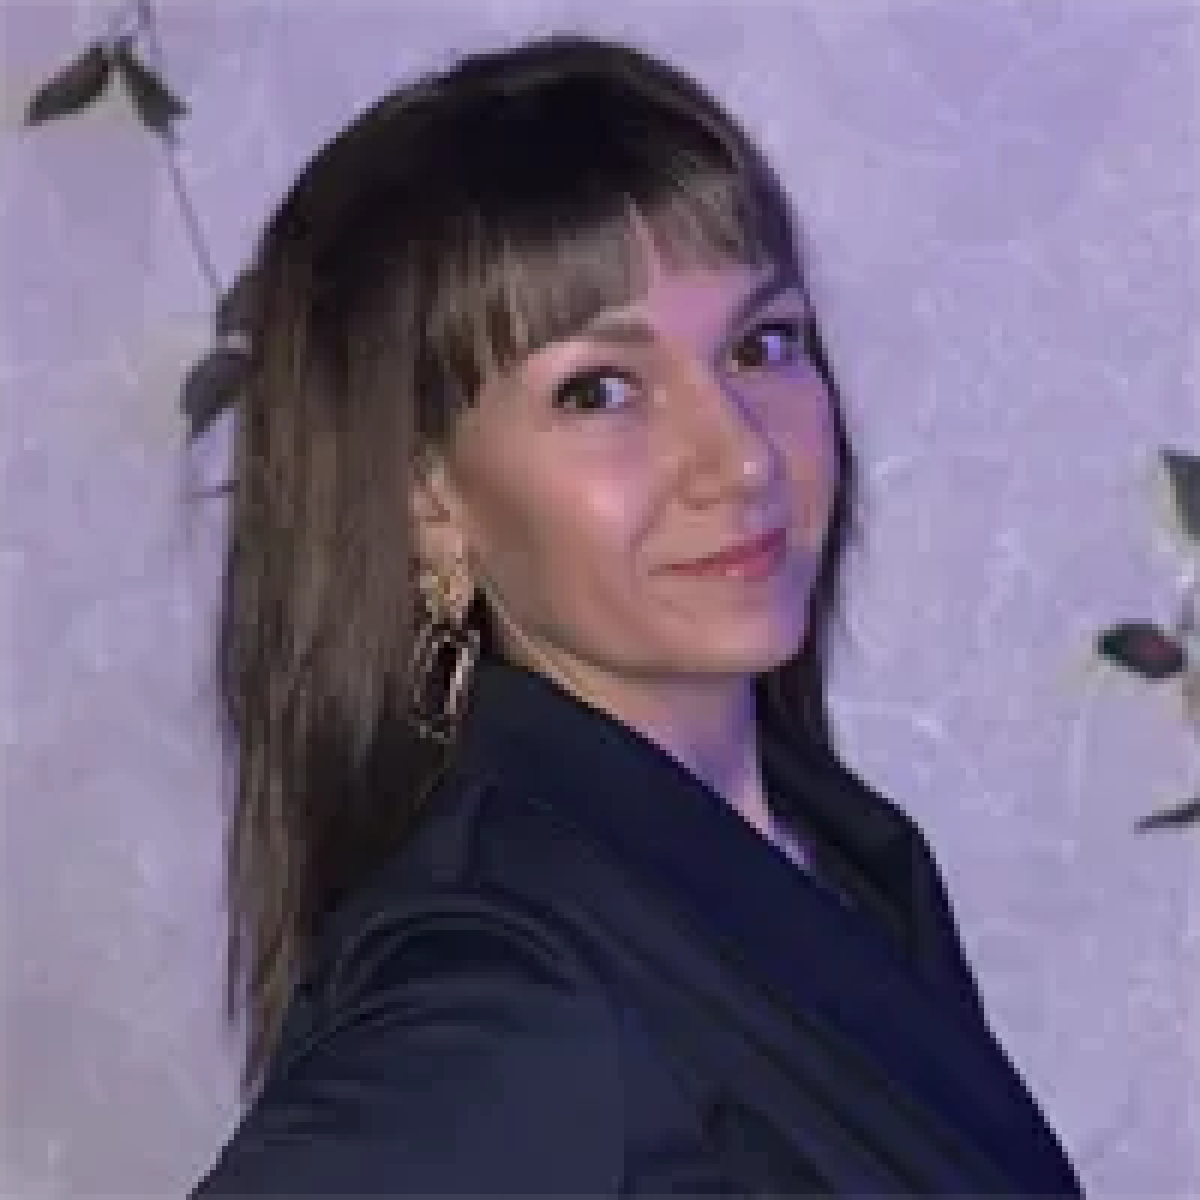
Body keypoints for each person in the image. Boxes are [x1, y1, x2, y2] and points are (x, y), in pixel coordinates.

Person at [189, 33, 1084, 1196]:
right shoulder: (507, 988)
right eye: (600, 390)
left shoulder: (841, 852)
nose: (742, 457)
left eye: (763, 345)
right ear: (429, 503)